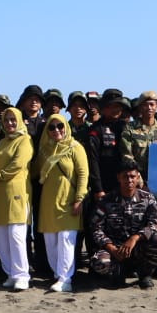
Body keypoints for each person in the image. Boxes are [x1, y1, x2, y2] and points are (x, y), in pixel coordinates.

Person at [87, 166, 157, 288]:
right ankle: (118, 271)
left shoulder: (147, 198)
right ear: (119, 178)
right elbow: (96, 228)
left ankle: (145, 275)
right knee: (100, 264)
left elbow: (156, 223)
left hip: (137, 246)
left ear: (138, 177)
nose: (129, 180)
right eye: (125, 176)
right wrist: (111, 248)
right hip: (115, 247)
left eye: (132, 176)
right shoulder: (107, 200)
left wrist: (135, 237)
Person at [38, 114, 89, 293]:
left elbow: (83, 174)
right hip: (48, 202)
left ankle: (66, 278)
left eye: (60, 126)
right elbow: (37, 172)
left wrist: (79, 198)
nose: (56, 130)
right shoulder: (44, 149)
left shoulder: (75, 147)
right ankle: (57, 273)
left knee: (66, 241)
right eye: (51, 127)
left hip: (69, 201)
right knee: (50, 241)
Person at [0, 108, 34, 290]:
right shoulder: (2, 142)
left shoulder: (25, 140)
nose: (10, 123)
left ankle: (22, 274)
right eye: (6, 120)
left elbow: (17, 164)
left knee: (16, 235)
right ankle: (11, 273)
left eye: (13, 120)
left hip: (16, 191)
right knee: (0, 235)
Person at [119, 91, 157, 178]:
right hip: (136, 177)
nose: (149, 108)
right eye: (145, 105)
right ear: (140, 107)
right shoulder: (130, 128)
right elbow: (126, 155)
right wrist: (138, 175)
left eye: (152, 104)